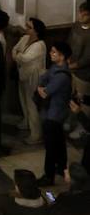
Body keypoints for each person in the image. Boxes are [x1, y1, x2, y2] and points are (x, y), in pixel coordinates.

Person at [36, 40, 73, 184]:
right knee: (59, 142)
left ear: (62, 56)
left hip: (55, 114)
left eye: (54, 52)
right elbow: (42, 79)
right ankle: (61, 167)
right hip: (52, 111)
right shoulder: (54, 68)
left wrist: (41, 89)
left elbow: (45, 92)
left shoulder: (61, 76)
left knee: (51, 146)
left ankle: (48, 176)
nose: (51, 54)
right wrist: (41, 87)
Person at [13, 15, 48, 144]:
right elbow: (14, 50)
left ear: (36, 31)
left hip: (34, 77)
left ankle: (36, 134)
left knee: (32, 104)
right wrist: (18, 55)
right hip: (23, 73)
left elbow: (25, 58)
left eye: (29, 27)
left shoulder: (40, 45)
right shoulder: (25, 38)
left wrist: (17, 56)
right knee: (23, 99)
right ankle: (26, 121)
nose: (26, 28)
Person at [69, 1, 90, 97]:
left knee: (81, 103)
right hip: (69, 67)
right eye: (80, 12)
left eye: (85, 14)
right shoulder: (76, 26)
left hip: (83, 74)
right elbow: (69, 42)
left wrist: (73, 65)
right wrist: (67, 59)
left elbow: (87, 58)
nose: (81, 16)